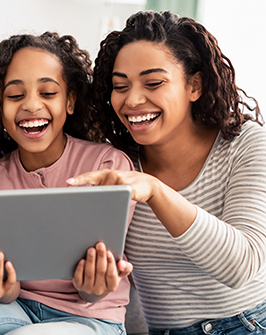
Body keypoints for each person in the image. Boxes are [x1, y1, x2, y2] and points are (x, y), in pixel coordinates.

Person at [0, 32, 136, 335]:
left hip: (91, 317)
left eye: (48, 93)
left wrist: (94, 286)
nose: (32, 105)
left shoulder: (107, 167)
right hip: (16, 306)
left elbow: (95, 291)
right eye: (15, 95)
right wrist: (0, 286)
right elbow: (8, 292)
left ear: (70, 100)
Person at [67, 10, 266, 334]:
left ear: (195, 85)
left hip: (248, 324)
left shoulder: (245, 144)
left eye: (154, 83)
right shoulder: (115, 164)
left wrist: (156, 191)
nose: (132, 100)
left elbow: (241, 264)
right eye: (120, 86)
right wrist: (93, 283)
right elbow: (100, 291)